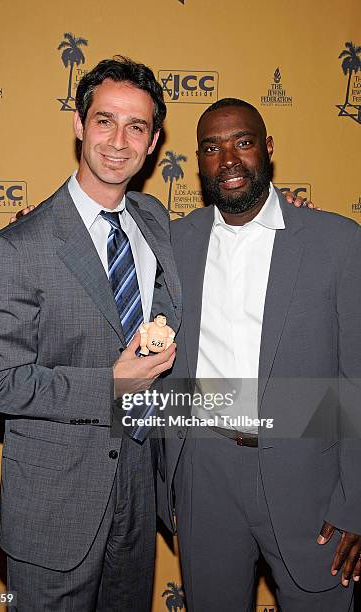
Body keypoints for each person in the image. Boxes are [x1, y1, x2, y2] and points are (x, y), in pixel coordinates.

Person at [0, 56, 181, 612]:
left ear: (154, 140)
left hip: (139, 488)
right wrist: (109, 384)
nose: (118, 140)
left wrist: (278, 217)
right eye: (105, 120)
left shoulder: (155, 220)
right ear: (79, 125)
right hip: (54, 502)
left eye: (136, 126)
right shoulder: (15, 249)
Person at [159, 98, 361, 611]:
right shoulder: (174, 241)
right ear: (199, 161)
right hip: (205, 470)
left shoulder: (337, 242)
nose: (228, 159)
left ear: (268, 148)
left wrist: (356, 502)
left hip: (309, 476)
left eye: (242, 142)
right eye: (211, 148)